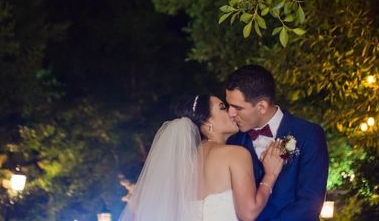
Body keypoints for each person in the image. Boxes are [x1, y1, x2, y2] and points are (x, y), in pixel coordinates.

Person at [119, 94, 285, 221]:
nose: (232, 112)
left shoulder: (182, 164)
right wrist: (270, 175)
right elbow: (248, 212)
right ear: (206, 122)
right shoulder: (236, 154)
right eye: (223, 107)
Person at [226, 65, 329, 221]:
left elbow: (309, 203)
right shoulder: (233, 142)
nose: (230, 114)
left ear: (261, 106)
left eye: (237, 108)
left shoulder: (308, 134)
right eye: (228, 105)